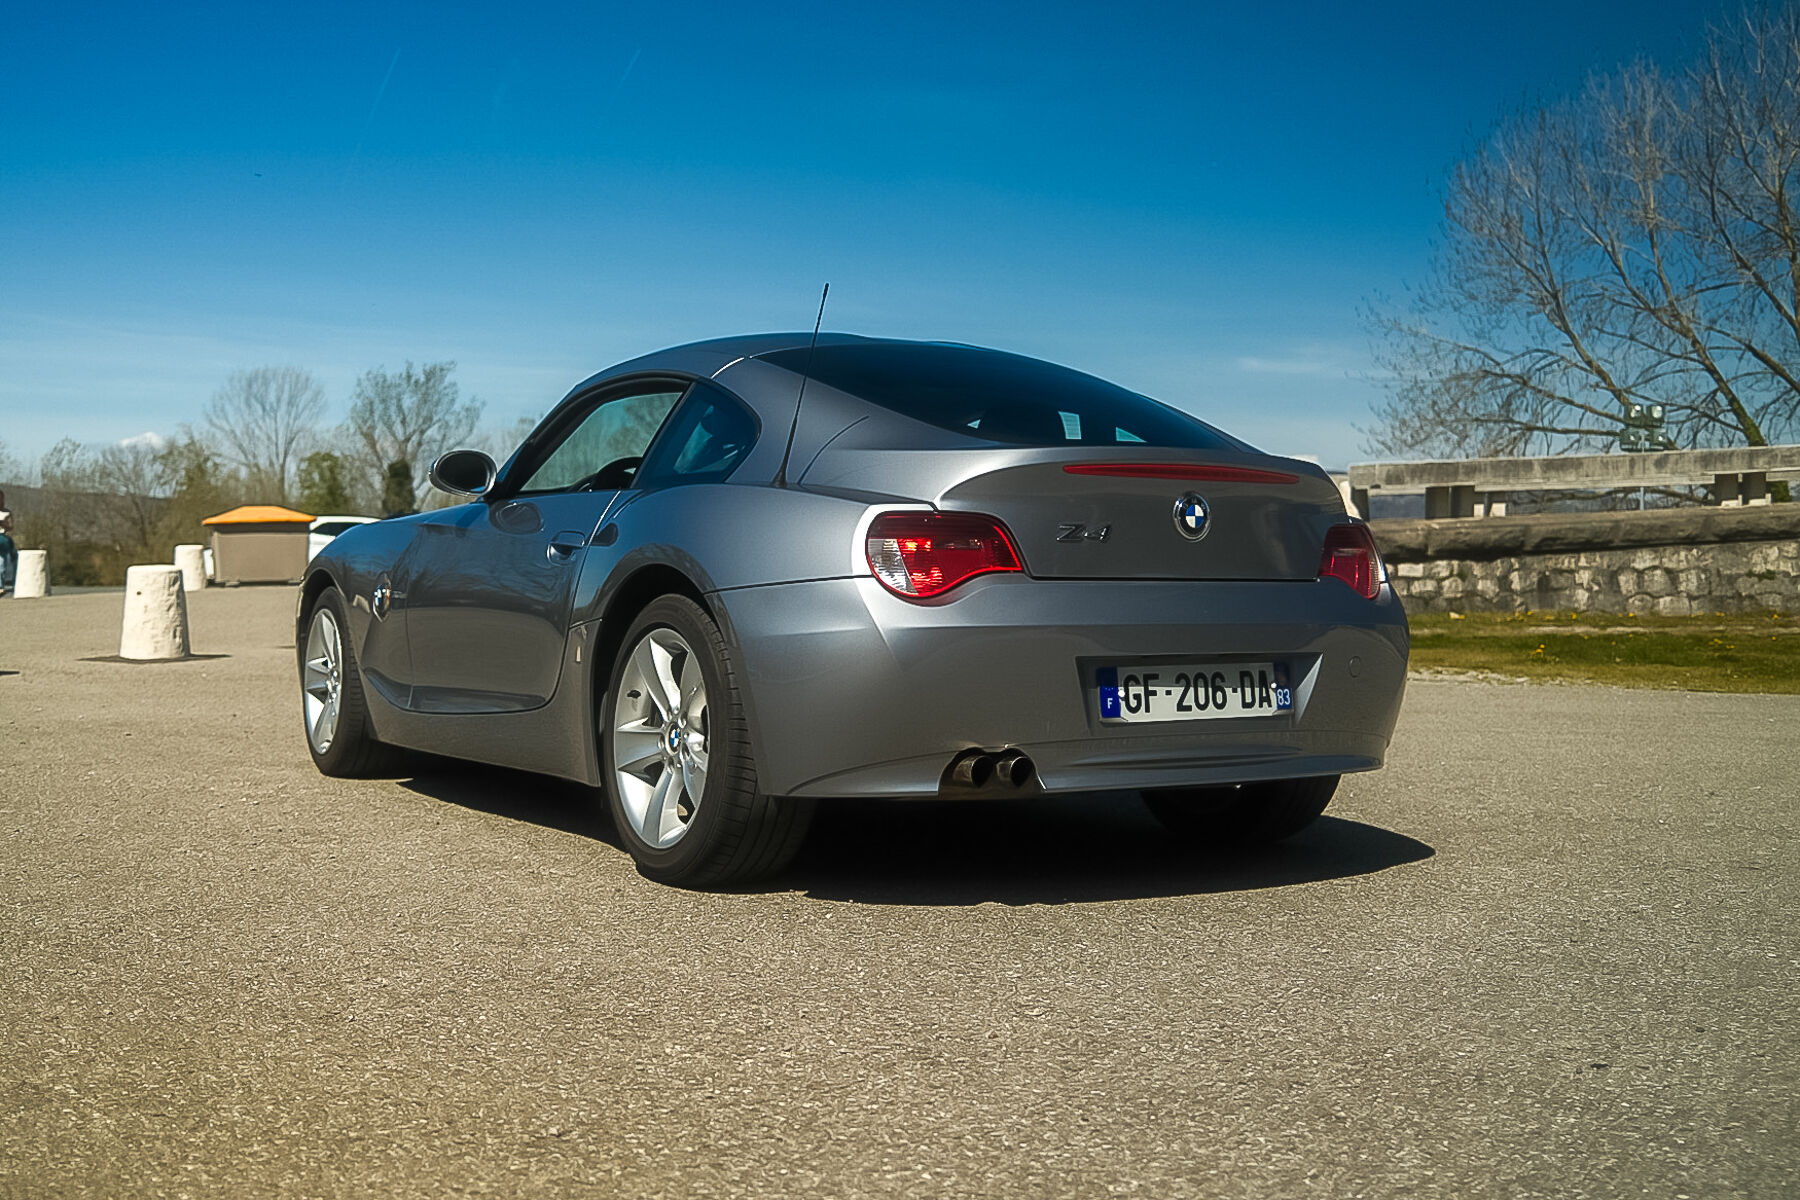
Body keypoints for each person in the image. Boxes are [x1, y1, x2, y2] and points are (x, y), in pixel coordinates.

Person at [0, 489, 15, 595]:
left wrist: (3, 524)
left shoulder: (7, 512)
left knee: (2, 562)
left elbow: (10, 527)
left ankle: (1, 585)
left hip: (2, 537)